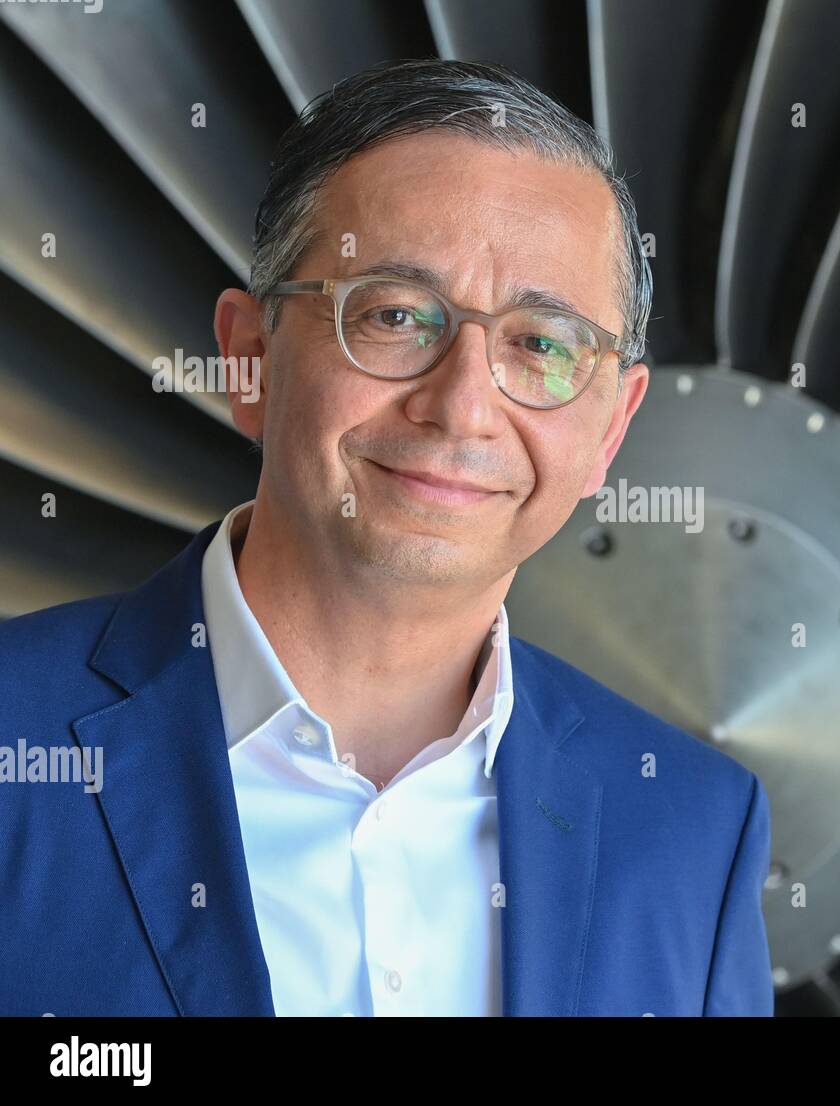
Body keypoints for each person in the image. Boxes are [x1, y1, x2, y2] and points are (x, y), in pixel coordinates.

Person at [0, 58, 773, 1016]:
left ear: (612, 426)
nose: (462, 409)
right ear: (251, 360)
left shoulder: (694, 826)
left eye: (541, 344)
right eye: (397, 316)